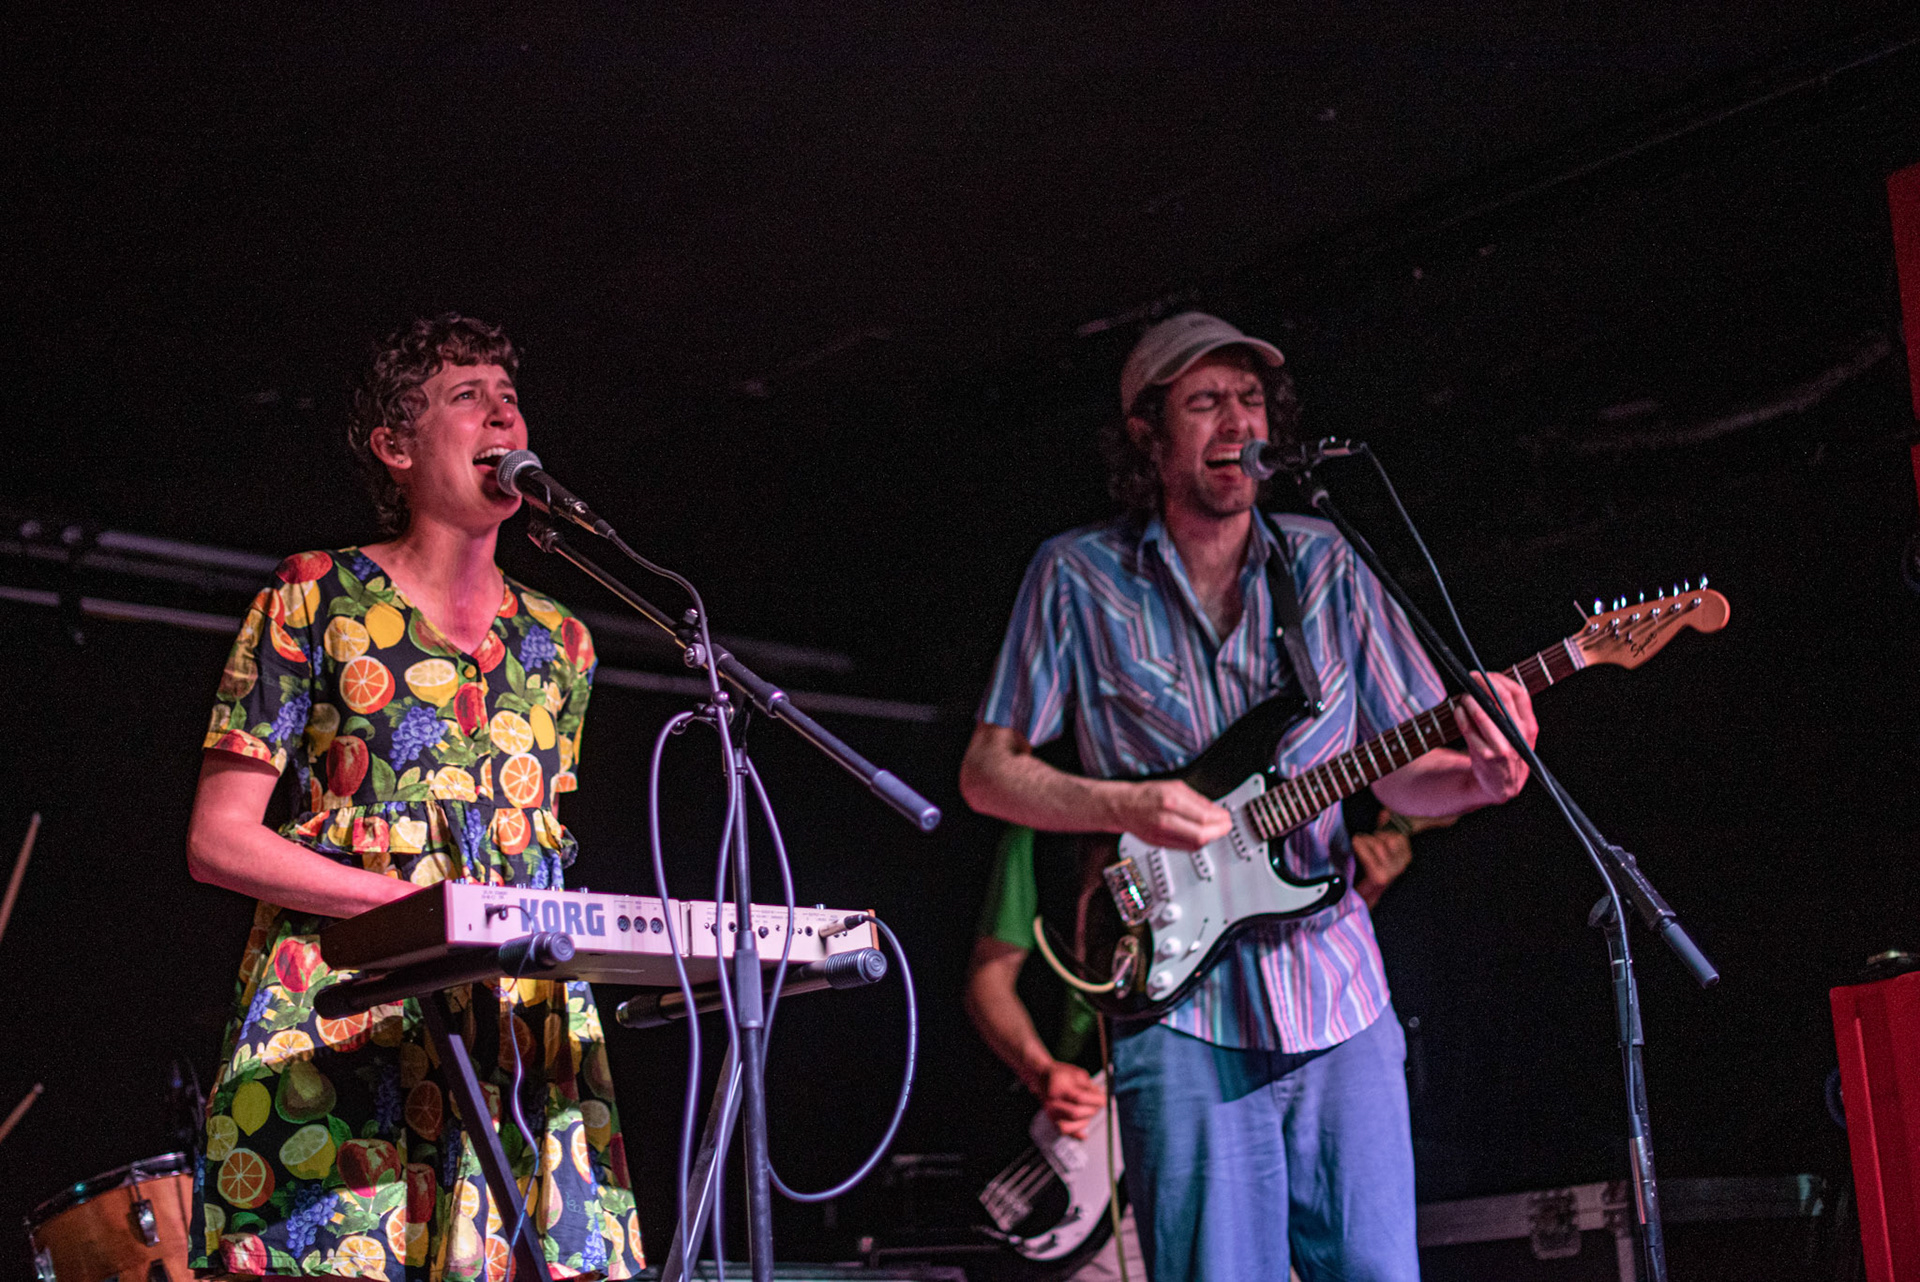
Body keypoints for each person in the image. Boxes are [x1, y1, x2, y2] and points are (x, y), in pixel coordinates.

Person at [958, 312, 1536, 1281]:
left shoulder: (1329, 564)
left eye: (1252, 399)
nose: (1237, 422)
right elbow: (987, 772)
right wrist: (1129, 806)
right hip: (1181, 1010)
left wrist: (1485, 776)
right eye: (1205, 402)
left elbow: (1401, 771)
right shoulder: (1076, 577)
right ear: (1146, 434)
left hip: (1337, 994)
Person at [185, 315, 643, 1281]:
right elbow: (220, 840)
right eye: (467, 397)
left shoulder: (562, 642)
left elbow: (536, 847)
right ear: (396, 448)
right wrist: (416, 911)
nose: (502, 414)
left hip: (511, 1028)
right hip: (349, 1005)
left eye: (509, 397)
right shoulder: (314, 596)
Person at [963, 808, 1448, 1282]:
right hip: (1113, 1110)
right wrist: (1040, 1069)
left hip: (1244, 1077)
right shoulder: (1044, 826)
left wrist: (1366, 889)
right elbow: (989, 976)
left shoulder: (1238, 803)